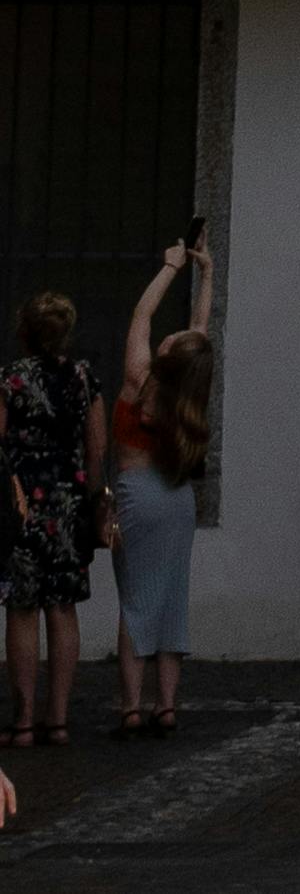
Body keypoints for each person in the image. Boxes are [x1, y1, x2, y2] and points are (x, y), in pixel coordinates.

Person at [106, 240, 210, 741]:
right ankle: (166, 706)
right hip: (177, 499)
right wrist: (206, 274)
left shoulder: (138, 382)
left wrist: (172, 267)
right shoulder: (188, 394)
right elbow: (201, 337)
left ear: (168, 353)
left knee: (135, 602)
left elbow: (142, 312)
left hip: (136, 495)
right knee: (171, 599)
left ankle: (131, 706)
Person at [0, 289, 105, 752]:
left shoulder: (10, 380)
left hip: (21, 505)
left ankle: (23, 721)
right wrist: (91, 496)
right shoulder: (85, 380)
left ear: (25, 331)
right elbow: (97, 449)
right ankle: (58, 720)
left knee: (22, 611)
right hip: (66, 504)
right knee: (63, 609)